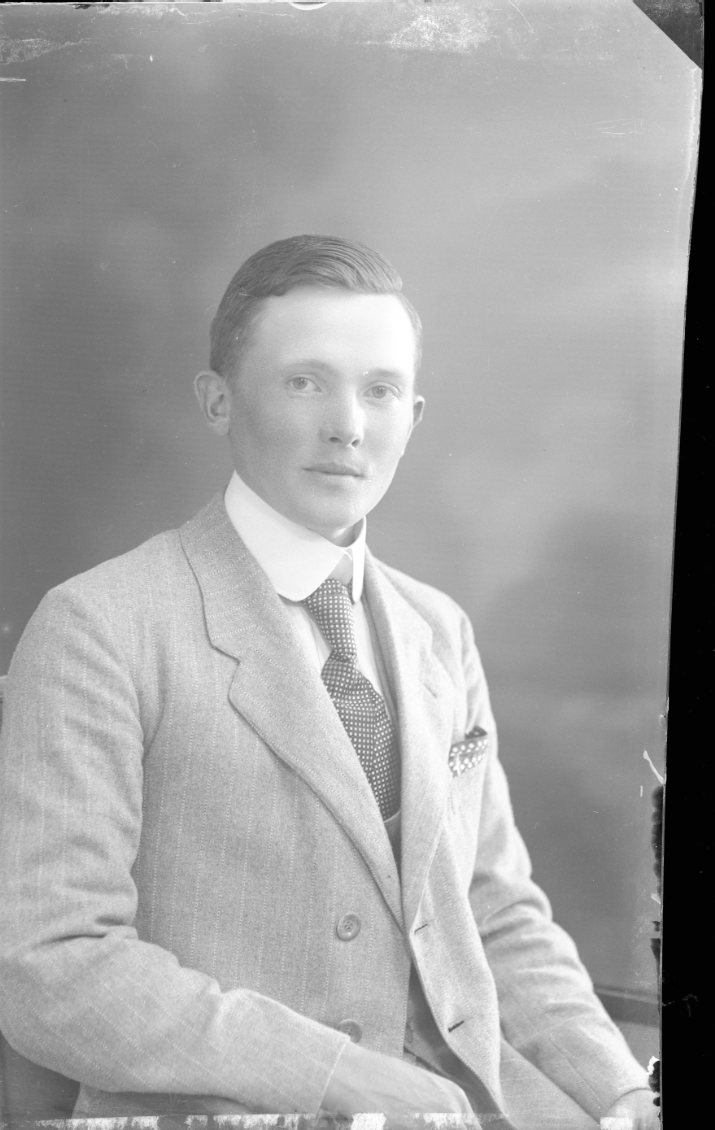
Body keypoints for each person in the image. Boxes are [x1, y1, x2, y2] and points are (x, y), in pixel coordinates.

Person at [0, 236, 656, 1129]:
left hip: (477, 1104)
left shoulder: (437, 629)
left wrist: (622, 1091)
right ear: (217, 401)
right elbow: (51, 963)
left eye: (379, 390)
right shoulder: (100, 627)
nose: (347, 424)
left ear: (411, 417)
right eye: (305, 382)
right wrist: (338, 1077)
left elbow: (495, 913)